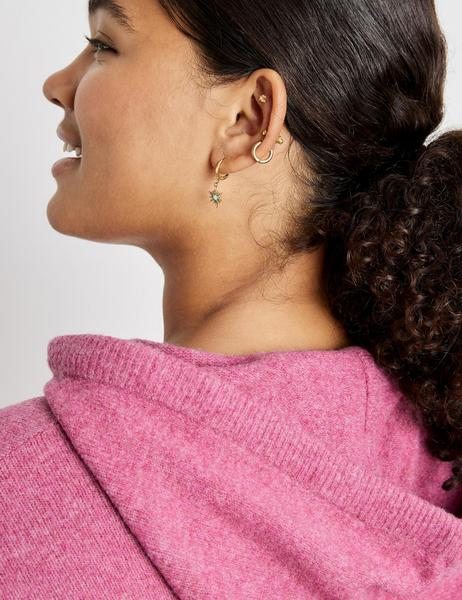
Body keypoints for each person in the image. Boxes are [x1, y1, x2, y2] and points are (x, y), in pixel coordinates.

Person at [2, 0, 462, 597]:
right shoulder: (438, 451)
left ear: (249, 119)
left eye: (105, 45)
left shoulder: (22, 492)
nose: (57, 84)